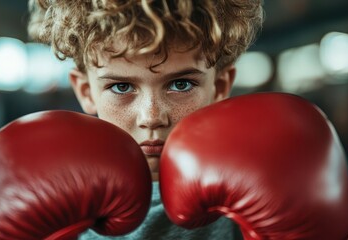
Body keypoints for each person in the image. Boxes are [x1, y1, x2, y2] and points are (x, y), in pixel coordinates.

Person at [27, 0, 263, 239]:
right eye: (121, 86)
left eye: (181, 85)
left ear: (219, 87)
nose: (151, 118)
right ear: (86, 91)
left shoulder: (254, 189)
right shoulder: (56, 198)